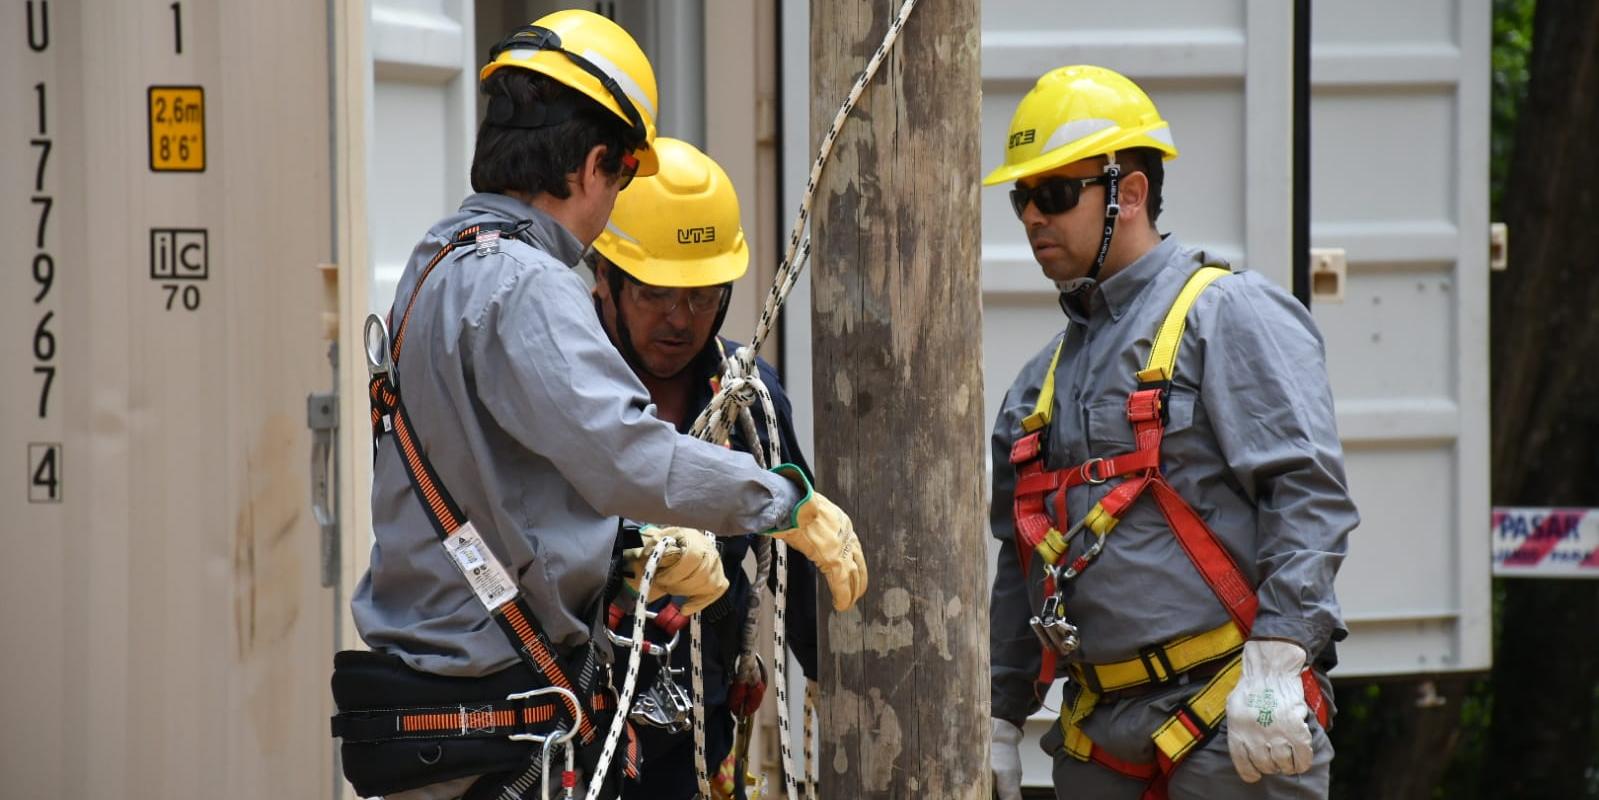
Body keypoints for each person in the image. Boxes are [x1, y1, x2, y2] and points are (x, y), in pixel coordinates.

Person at [331, 12, 865, 800]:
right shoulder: (527, 284)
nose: (613, 205)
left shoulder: (438, 262)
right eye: (619, 180)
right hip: (495, 716)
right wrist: (784, 500)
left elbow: (504, 487)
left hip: (439, 710)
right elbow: (626, 457)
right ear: (591, 164)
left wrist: (627, 546)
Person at [983, 65, 1357, 800]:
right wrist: (1001, 713)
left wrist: (1280, 655)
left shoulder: (1228, 316)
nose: (1031, 217)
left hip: (1228, 719)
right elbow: (1018, 560)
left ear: (1128, 193)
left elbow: (1306, 493)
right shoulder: (1037, 384)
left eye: (1054, 195)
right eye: (1021, 197)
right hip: (1096, 737)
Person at [587, 136, 820, 800]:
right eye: (656, 294)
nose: (679, 319)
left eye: (701, 295)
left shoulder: (747, 403)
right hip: (576, 723)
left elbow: (799, 568)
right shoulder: (566, 396)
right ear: (604, 278)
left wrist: (845, 685)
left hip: (698, 735)